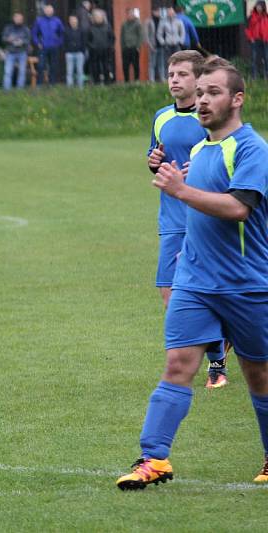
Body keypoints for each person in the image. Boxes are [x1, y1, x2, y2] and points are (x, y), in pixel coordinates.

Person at [116, 57, 268, 490]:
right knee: (178, 364)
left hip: (247, 284)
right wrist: (189, 248)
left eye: (212, 92)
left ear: (237, 99)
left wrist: (182, 190)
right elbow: (198, 210)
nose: (202, 100)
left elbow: (240, 208)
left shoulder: (253, 148)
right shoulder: (200, 150)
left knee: (259, 376)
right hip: (196, 282)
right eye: (199, 93)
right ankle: (153, 459)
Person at [146, 50, 229, 389]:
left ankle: (216, 363)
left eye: (182, 74)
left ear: (199, 81)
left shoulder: (210, 117)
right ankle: (215, 345)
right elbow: (156, 156)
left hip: (204, 218)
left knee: (203, 291)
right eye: (171, 74)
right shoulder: (161, 117)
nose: (175, 80)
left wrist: (206, 171)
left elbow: (227, 159)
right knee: (169, 294)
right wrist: (153, 161)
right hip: (171, 219)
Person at [32, 4, 64, 85]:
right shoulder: (39, 20)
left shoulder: (57, 20)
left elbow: (62, 33)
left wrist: (58, 43)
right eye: (47, 10)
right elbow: (34, 34)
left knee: (53, 66)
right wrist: (37, 43)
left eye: (50, 10)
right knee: (41, 66)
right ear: (44, 11)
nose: (49, 11)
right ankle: (39, 84)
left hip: (54, 47)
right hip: (43, 47)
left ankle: (52, 84)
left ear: (53, 11)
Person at [2, 12, 31, 90]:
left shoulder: (25, 29)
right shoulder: (8, 28)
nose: (19, 20)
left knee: (22, 72)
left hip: (22, 52)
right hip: (10, 52)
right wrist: (9, 39)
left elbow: (28, 40)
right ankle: (6, 90)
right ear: (14, 19)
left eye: (20, 19)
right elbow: (3, 38)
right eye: (17, 18)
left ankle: (20, 89)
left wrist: (22, 42)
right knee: (8, 72)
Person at [87, 9, 114, 84]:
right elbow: (88, 40)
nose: (98, 18)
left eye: (99, 16)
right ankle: (96, 83)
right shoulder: (90, 28)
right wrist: (92, 47)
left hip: (105, 50)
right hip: (94, 51)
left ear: (102, 17)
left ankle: (107, 82)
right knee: (95, 67)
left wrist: (109, 46)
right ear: (94, 18)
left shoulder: (108, 27)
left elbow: (112, 38)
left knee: (106, 67)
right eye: (96, 17)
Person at [120, 8, 144, 83]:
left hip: (134, 48)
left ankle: (137, 80)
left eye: (131, 14)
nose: (129, 15)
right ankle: (126, 81)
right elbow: (122, 36)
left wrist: (138, 46)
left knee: (135, 65)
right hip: (126, 48)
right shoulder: (124, 24)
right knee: (125, 66)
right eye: (128, 14)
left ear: (133, 14)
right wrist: (122, 47)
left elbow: (140, 36)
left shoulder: (138, 23)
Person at [246, 1, 268, 80]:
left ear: (263, 7)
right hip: (255, 40)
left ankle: (266, 76)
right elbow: (248, 29)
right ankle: (254, 77)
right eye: (257, 6)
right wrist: (251, 38)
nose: (259, 8)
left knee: (266, 58)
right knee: (254, 59)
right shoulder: (252, 17)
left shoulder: (266, 16)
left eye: (260, 6)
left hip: (265, 40)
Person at [64, 15, 86, 88]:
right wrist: (66, 50)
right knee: (69, 72)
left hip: (79, 53)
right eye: (71, 20)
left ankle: (80, 87)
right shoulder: (66, 30)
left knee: (80, 71)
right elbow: (64, 42)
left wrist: (82, 51)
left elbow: (83, 41)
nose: (73, 22)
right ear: (69, 22)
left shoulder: (81, 30)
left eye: (74, 20)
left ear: (77, 21)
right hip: (69, 53)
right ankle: (70, 88)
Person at [145, 7, 166, 82]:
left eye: (159, 11)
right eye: (157, 11)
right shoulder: (148, 21)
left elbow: (165, 33)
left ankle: (162, 78)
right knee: (152, 63)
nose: (159, 13)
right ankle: (151, 79)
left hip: (161, 45)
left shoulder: (162, 21)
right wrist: (149, 45)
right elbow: (146, 35)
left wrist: (164, 42)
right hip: (153, 45)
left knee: (161, 63)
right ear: (153, 12)